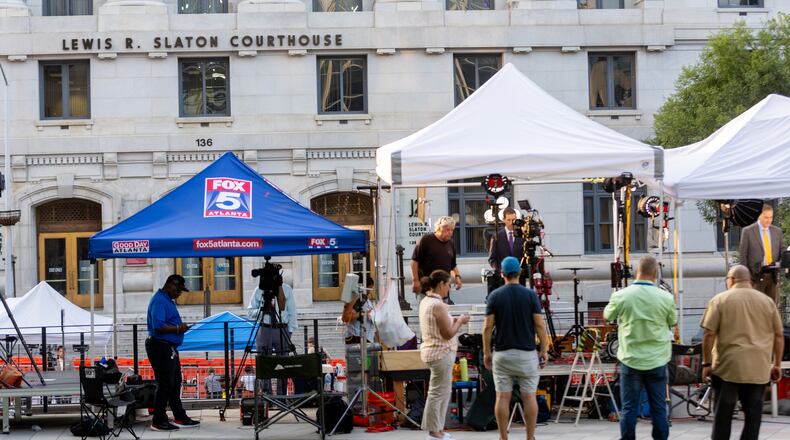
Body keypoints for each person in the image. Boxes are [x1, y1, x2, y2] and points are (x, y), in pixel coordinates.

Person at [701, 265, 784, 440]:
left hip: (727, 368)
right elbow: (778, 335)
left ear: (731, 279)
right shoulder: (767, 302)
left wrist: (707, 364)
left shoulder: (720, 300)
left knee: (723, 417)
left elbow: (708, 334)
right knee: (753, 417)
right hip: (758, 369)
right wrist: (776, 364)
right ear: (749, 280)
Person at [604, 256, 675, 440]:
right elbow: (672, 321)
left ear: (637, 272)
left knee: (628, 409)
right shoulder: (666, 297)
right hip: (657, 359)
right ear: (655, 273)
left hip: (631, 359)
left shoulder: (621, 295)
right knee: (659, 408)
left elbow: (608, 315)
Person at [482, 257, 548, 440]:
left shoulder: (494, 296)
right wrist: (544, 349)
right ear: (520, 273)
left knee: (502, 397)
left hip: (502, 354)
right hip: (527, 354)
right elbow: (540, 325)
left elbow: (487, 327)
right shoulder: (530, 295)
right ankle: (529, 437)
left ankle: (503, 437)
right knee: (529, 397)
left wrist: (487, 352)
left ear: (502, 274)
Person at [418, 270, 470, 440]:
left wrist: (454, 322)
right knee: (438, 392)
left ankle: (437, 429)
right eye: (448, 285)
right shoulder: (437, 305)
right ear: (441, 284)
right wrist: (460, 321)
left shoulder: (427, 301)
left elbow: (441, 328)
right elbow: (448, 333)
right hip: (441, 352)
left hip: (434, 351)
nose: (449, 289)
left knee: (441, 391)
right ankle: (434, 431)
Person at [146, 274, 200, 431]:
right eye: (178, 289)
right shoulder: (159, 301)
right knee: (165, 384)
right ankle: (158, 420)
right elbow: (158, 326)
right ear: (170, 284)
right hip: (160, 346)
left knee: (175, 382)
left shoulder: (166, 300)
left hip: (168, 347)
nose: (179, 293)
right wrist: (178, 328)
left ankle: (179, 416)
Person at [739, 205, 785, 302]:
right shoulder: (747, 231)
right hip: (755, 277)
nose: (769, 220)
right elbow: (743, 257)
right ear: (759, 216)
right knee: (756, 307)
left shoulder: (777, 231)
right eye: (766, 217)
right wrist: (746, 279)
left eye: (771, 217)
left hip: (773, 277)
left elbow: (782, 251)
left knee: (771, 308)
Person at [411, 216, 463, 305]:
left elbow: (453, 264)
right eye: (447, 230)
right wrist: (415, 281)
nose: (450, 233)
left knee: (443, 316)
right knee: (428, 315)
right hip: (427, 289)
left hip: (443, 289)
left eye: (452, 230)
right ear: (439, 228)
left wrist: (457, 277)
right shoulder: (426, 240)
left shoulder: (450, 243)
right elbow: (414, 262)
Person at [488, 207, 525, 273]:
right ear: (503, 220)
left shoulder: (523, 235)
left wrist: (522, 268)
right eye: (508, 220)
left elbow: (526, 256)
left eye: (513, 220)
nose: (511, 223)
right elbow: (492, 259)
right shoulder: (496, 236)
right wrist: (499, 270)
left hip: (519, 276)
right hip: (503, 277)